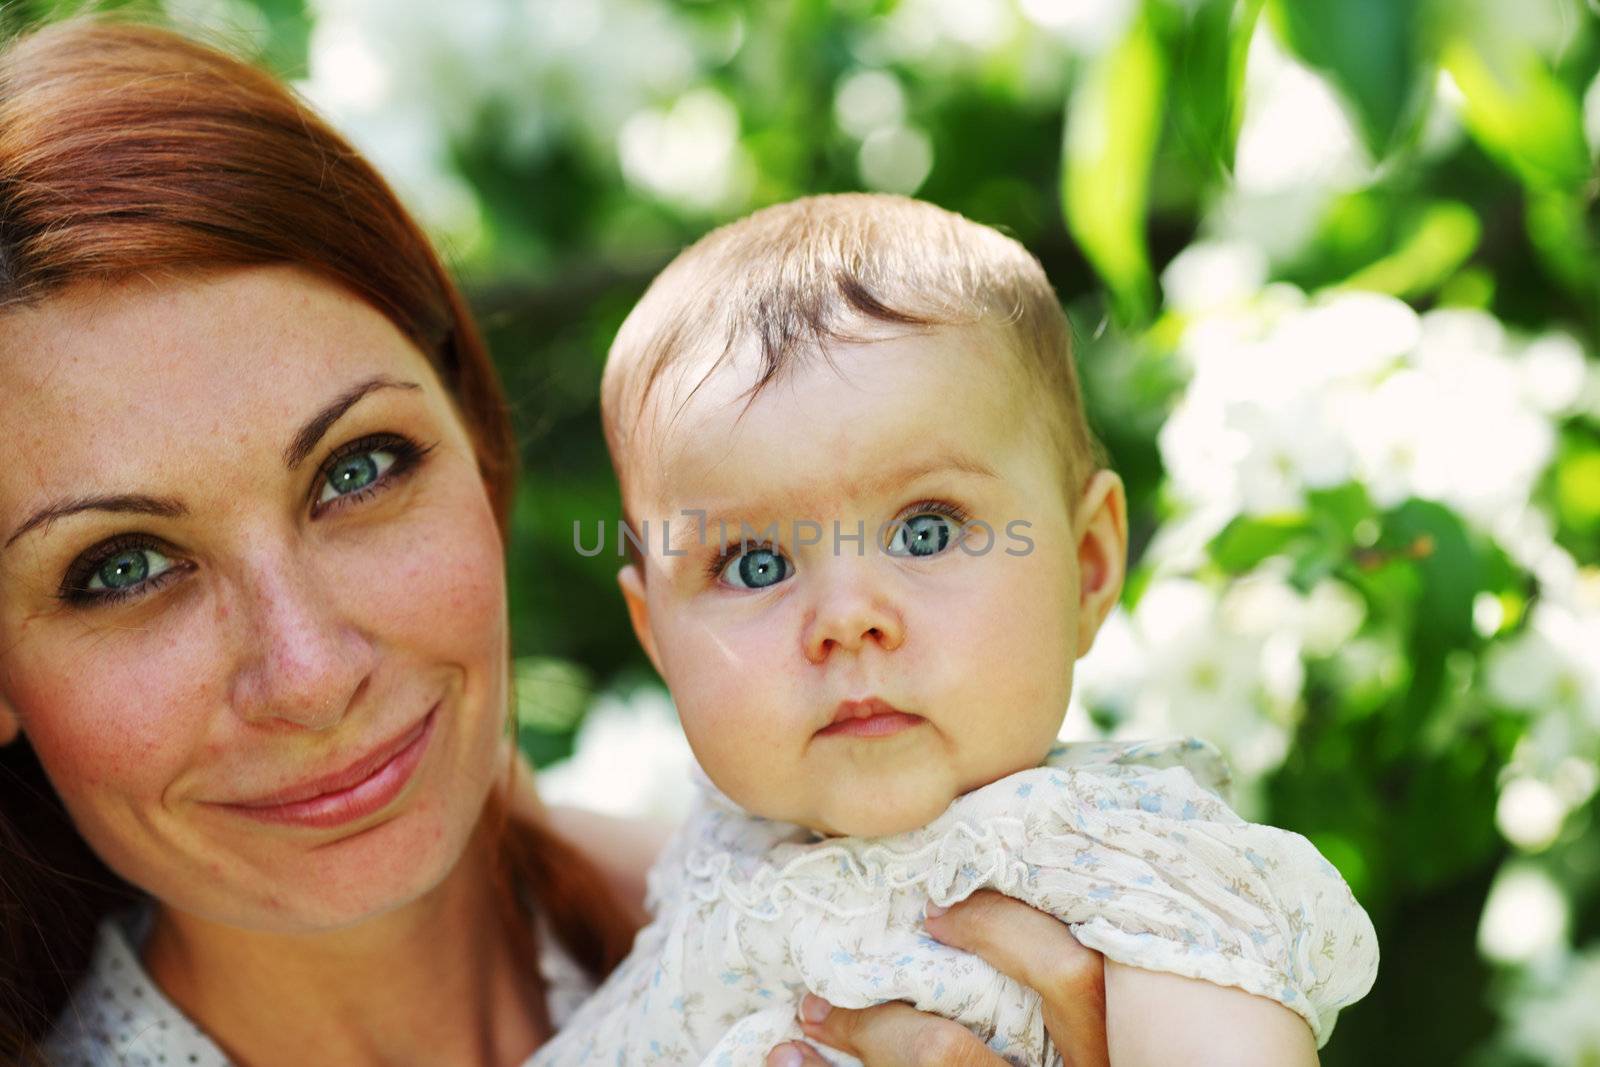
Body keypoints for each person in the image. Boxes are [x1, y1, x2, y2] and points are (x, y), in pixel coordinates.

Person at [0, 19, 1116, 1067]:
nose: (312, 672)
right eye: (121, 568)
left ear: (478, 445)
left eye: (357, 468)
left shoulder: (845, 916)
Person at [533, 194, 1380, 1067]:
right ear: (658, 637)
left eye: (925, 530)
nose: (847, 618)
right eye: (755, 564)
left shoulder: (1128, 875)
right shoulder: (710, 863)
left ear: (1088, 565)